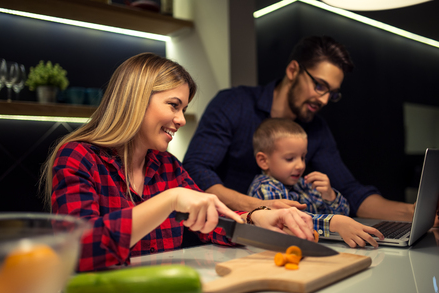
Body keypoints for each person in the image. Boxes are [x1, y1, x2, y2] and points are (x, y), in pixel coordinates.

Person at [41, 53, 315, 272]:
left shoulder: (168, 165)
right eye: (174, 105)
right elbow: (77, 251)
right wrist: (170, 200)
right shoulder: (78, 157)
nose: (182, 119)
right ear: (136, 100)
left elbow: (214, 224)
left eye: (183, 109)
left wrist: (257, 218)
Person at [183, 35, 432, 224]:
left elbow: (351, 191)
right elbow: (196, 168)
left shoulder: (317, 129)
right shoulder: (234, 103)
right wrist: (260, 207)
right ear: (293, 71)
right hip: (222, 232)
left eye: (332, 93)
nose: (323, 100)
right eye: (319, 86)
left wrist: (414, 212)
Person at [248, 118, 384, 248]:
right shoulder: (265, 188)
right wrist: (333, 223)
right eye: (290, 159)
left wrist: (330, 196)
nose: (301, 165)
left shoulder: (303, 184)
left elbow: (344, 216)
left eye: (303, 157)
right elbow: (290, 223)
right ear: (263, 161)